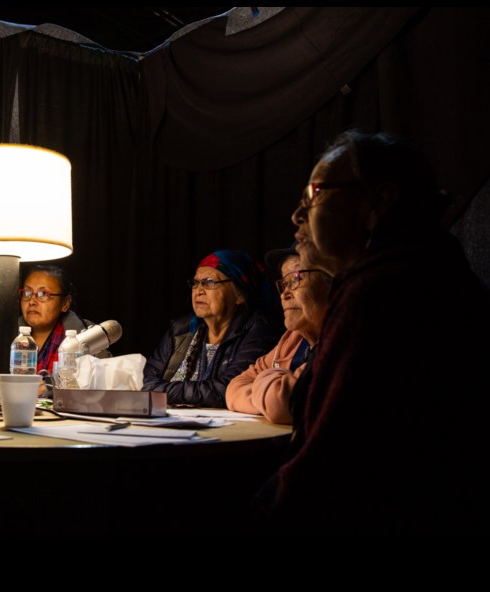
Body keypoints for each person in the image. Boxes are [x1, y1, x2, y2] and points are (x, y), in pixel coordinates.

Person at [259, 130, 490, 534]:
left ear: (378, 201)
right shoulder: (430, 272)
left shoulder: (383, 293)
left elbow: (332, 468)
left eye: (313, 195)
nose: (297, 217)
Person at [142, 249, 278, 407]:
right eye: (195, 283)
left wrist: (163, 392)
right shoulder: (180, 330)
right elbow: (146, 380)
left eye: (210, 282)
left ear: (239, 294)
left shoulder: (259, 330)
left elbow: (226, 389)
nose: (199, 290)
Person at [225, 248, 331, 424]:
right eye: (284, 283)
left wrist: (270, 388)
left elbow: (281, 405)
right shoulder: (293, 339)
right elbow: (233, 388)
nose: (285, 294)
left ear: (329, 282)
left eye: (297, 279)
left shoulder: (340, 339)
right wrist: (269, 396)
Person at [0, 264, 110, 380]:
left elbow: (105, 382)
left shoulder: (88, 336)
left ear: (65, 303)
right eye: (27, 293)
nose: (32, 301)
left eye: (43, 294)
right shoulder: (3, 333)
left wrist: (50, 387)